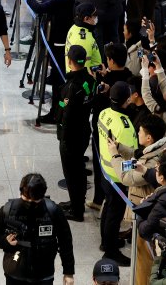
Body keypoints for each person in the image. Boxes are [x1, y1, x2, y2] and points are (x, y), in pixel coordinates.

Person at [0, 172, 75, 285]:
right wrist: (5, 242)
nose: (30, 203)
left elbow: (65, 241)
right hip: (15, 271)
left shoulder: (53, 211)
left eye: (34, 201)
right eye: (26, 199)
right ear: (21, 192)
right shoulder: (8, 210)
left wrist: (68, 272)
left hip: (43, 273)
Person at [97, 82, 138, 266]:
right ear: (127, 100)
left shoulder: (104, 113)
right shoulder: (125, 126)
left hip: (105, 171)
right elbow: (131, 156)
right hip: (117, 176)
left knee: (108, 207)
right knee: (115, 215)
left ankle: (105, 242)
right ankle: (111, 251)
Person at [55, 45, 96, 222]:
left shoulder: (71, 86)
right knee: (79, 170)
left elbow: (63, 112)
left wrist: (61, 105)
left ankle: (76, 210)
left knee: (72, 174)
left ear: (70, 61)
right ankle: (76, 202)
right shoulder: (90, 80)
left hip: (70, 136)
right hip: (83, 130)